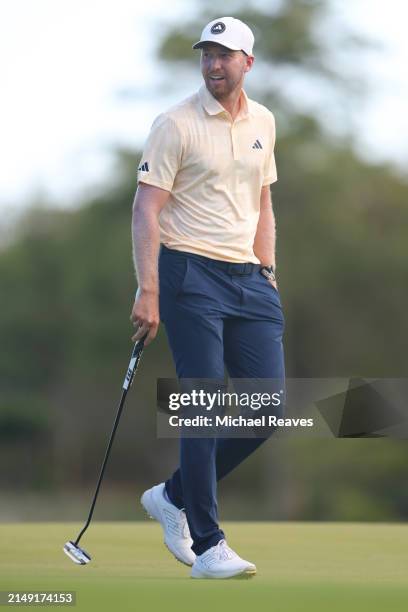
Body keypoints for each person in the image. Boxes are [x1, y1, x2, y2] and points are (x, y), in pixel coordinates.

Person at [130, 16, 285, 579]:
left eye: (225, 56)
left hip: (248, 278)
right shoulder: (174, 123)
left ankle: (172, 496)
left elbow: (262, 202)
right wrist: (149, 289)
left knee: (267, 408)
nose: (214, 65)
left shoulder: (264, 120)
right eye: (207, 55)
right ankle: (209, 543)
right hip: (188, 272)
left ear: (248, 62)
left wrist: (267, 270)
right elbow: (146, 208)